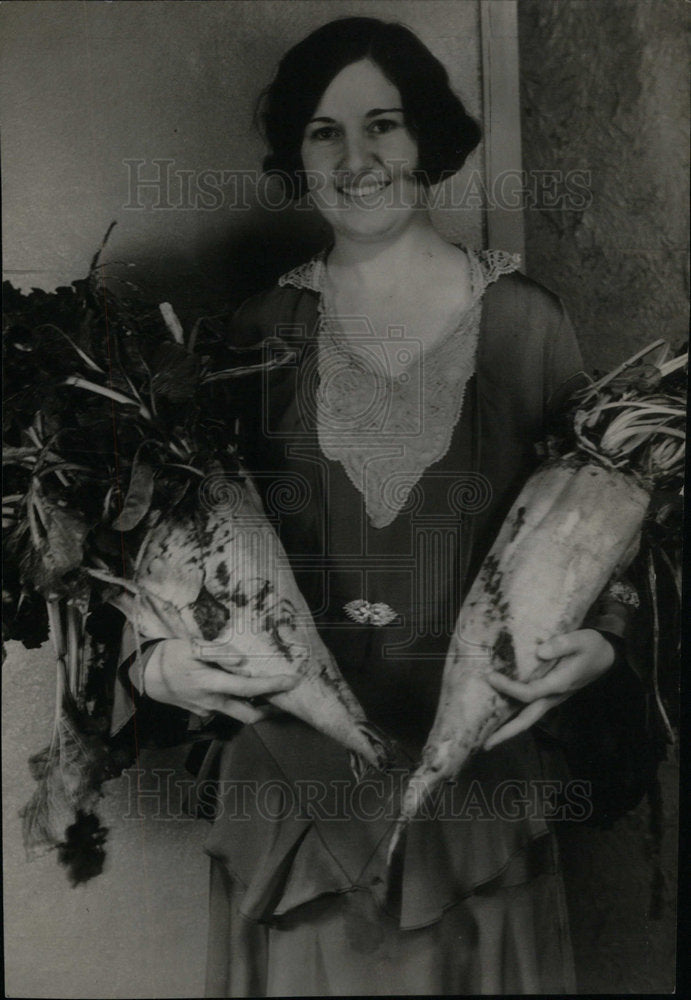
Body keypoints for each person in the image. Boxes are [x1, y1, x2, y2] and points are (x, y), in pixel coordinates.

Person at [118, 17, 635, 996]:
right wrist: (159, 663)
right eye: (323, 131)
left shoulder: (528, 324)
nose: (356, 160)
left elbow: (602, 544)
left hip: (477, 779)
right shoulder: (251, 335)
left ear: (426, 137)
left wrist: (600, 646)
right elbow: (169, 557)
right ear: (295, 154)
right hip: (295, 794)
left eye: (383, 124)